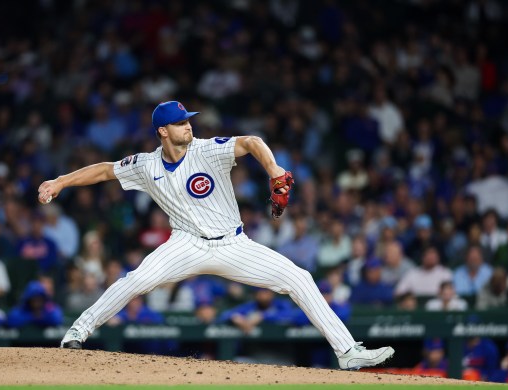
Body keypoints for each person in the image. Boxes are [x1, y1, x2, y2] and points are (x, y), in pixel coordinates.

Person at [38, 100, 394, 370]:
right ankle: (76, 333)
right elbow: (104, 171)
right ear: (163, 131)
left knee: (299, 278)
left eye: (188, 120)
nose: (187, 126)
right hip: (185, 243)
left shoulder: (208, 150)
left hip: (233, 244)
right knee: (134, 281)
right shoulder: (146, 165)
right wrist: (61, 181)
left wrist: (274, 169)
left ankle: (347, 352)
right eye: (179, 123)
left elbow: (252, 141)